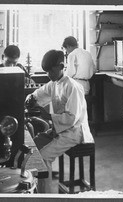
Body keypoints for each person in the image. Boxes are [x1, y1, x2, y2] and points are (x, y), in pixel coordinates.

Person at [25, 49, 94, 193]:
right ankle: (37, 189)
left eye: (51, 71)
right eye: (47, 72)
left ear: (61, 66)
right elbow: (38, 94)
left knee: (43, 157)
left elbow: (71, 118)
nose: (48, 75)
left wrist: (48, 115)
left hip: (76, 132)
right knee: (33, 147)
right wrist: (30, 98)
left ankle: (46, 195)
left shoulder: (72, 86)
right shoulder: (54, 83)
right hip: (61, 129)